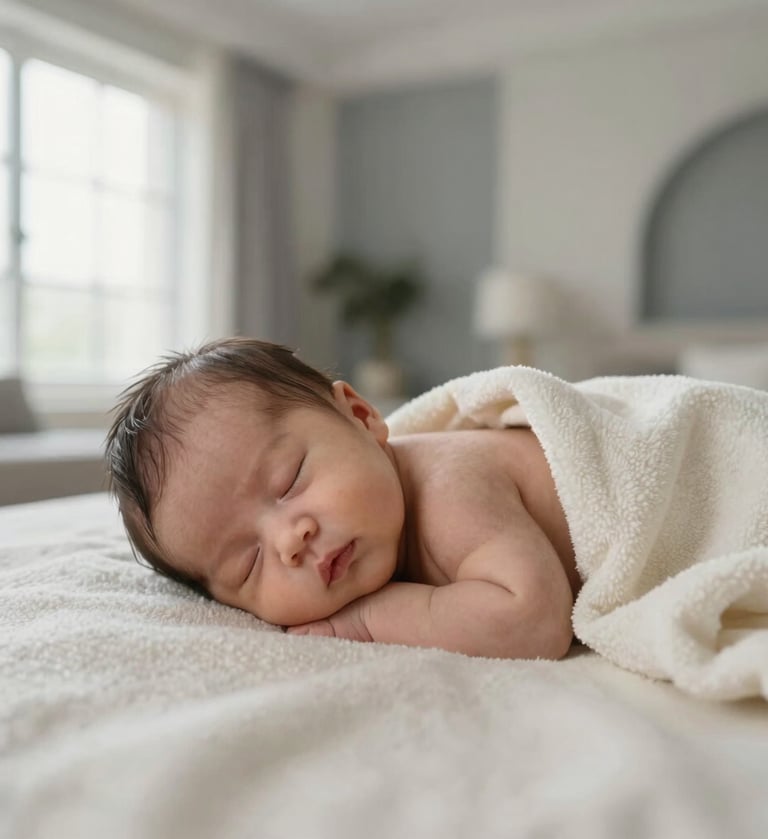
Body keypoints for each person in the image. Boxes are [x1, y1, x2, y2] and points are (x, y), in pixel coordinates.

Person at [106, 337, 580, 660]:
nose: (291, 540)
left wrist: (371, 621)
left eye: (290, 481)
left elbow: (534, 620)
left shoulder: (451, 487)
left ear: (359, 415)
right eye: (247, 564)